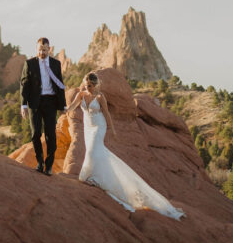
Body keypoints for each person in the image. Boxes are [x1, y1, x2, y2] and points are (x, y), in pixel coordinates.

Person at [67, 72, 185, 219]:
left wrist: (113, 129)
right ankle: (96, 176)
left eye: (90, 86)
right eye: (86, 85)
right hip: (88, 128)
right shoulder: (81, 95)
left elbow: (107, 114)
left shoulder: (100, 97)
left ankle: (92, 177)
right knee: (97, 153)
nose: (87, 88)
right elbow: (72, 106)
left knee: (92, 151)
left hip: (99, 127)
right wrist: (66, 109)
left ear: (95, 85)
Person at [19, 37, 66, 175]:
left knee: (51, 135)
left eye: (44, 50)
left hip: (50, 102)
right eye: (39, 49)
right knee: (35, 134)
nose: (42, 52)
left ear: (49, 49)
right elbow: (24, 85)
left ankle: (49, 165)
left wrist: (62, 105)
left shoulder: (56, 64)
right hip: (34, 103)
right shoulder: (30, 64)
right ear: (36, 49)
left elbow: (60, 85)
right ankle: (40, 162)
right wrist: (23, 105)